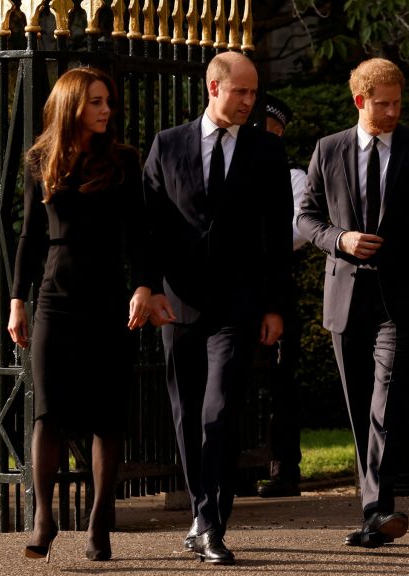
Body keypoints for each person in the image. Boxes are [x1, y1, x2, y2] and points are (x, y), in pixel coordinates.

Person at [296, 57, 409, 549]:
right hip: (345, 297)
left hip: (402, 299)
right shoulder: (328, 149)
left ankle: (378, 508)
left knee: (386, 401)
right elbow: (307, 218)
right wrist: (341, 239)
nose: (394, 111)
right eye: (384, 104)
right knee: (359, 407)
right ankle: (373, 515)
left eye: (398, 102)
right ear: (361, 101)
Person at [142, 51, 294, 564]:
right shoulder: (167, 145)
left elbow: (277, 236)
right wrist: (146, 287)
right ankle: (203, 516)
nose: (251, 102)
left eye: (254, 93)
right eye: (242, 92)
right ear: (214, 87)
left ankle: (209, 522)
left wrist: (276, 306)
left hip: (240, 302)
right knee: (187, 414)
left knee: (220, 409)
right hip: (178, 302)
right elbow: (148, 227)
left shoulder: (267, 153)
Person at [8, 67, 151, 563]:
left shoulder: (125, 161)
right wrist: (16, 300)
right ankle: (43, 516)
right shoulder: (40, 160)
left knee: (107, 415)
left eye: (107, 101)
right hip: (55, 298)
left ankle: (98, 522)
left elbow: (140, 234)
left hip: (110, 300)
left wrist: (143, 286)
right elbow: (28, 236)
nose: (105, 109)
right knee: (48, 409)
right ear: (72, 104)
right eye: (95, 101)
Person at [255, 93, 306, 498]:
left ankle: (284, 467)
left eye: (272, 131)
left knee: (281, 381)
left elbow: (300, 230)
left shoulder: (293, 177)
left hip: (276, 286)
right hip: (240, 287)